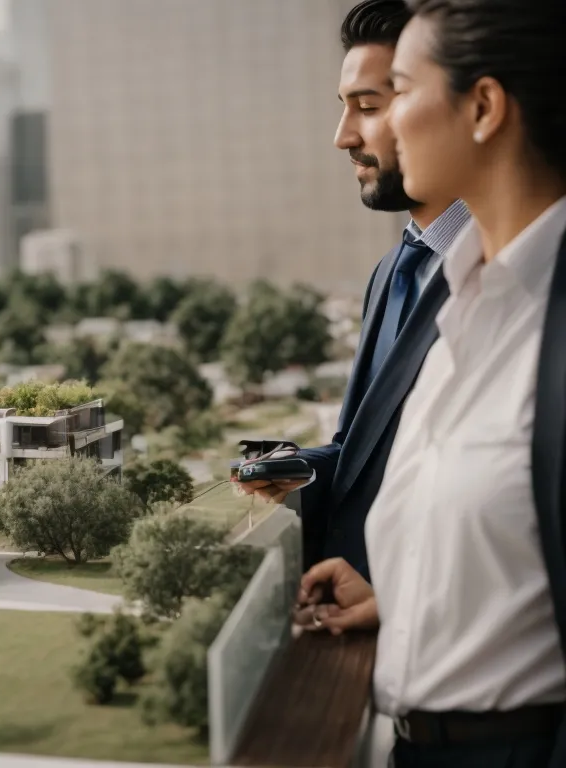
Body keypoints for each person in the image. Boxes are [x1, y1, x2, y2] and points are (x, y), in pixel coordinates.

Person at [295, 0, 566, 765]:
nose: (352, 134)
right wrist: (401, 602)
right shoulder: (464, 300)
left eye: (396, 93)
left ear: (482, 107)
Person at [234, 0, 471, 584]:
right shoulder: (390, 272)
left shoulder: (507, 278)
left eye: (368, 106)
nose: (343, 137)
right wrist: (295, 470)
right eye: (344, 108)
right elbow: (363, 452)